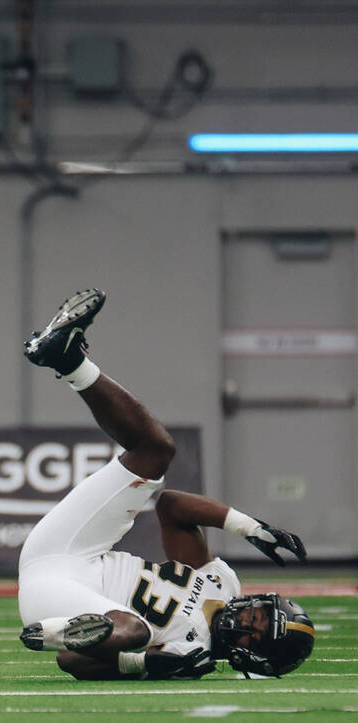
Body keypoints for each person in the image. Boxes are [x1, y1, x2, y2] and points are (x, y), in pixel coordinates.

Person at [17, 288, 315, 680]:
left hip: (59, 600)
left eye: (256, 629)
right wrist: (250, 526)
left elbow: (70, 662)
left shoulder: (189, 652)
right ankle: (67, 358)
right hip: (69, 550)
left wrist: (143, 663)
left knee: (133, 630)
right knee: (154, 451)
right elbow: (172, 506)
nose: (247, 616)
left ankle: (55, 631)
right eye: (258, 612)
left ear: (255, 655)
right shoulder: (222, 584)